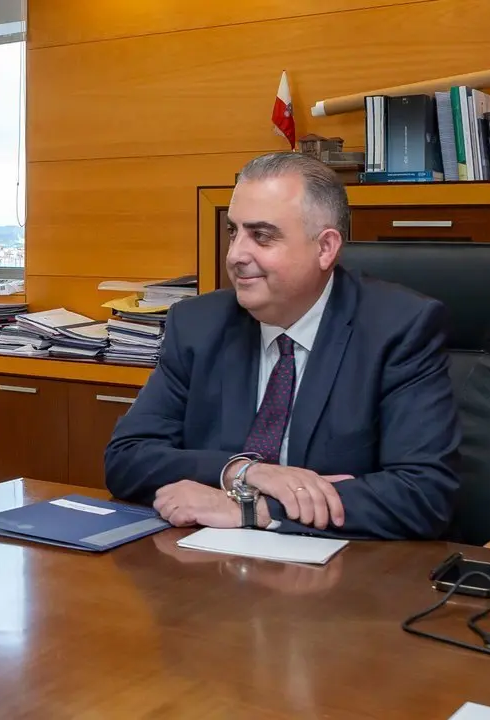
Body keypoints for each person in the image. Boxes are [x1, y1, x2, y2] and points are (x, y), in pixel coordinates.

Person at [104, 151, 461, 540]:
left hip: (343, 577)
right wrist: (244, 471)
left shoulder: (399, 328)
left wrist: (250, 508)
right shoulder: (197, 324)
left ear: (325, 248)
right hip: (208, 571)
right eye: (233, 231)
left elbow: (423, 495)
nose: (236, 254)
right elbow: (126, 459)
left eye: (261, 235)